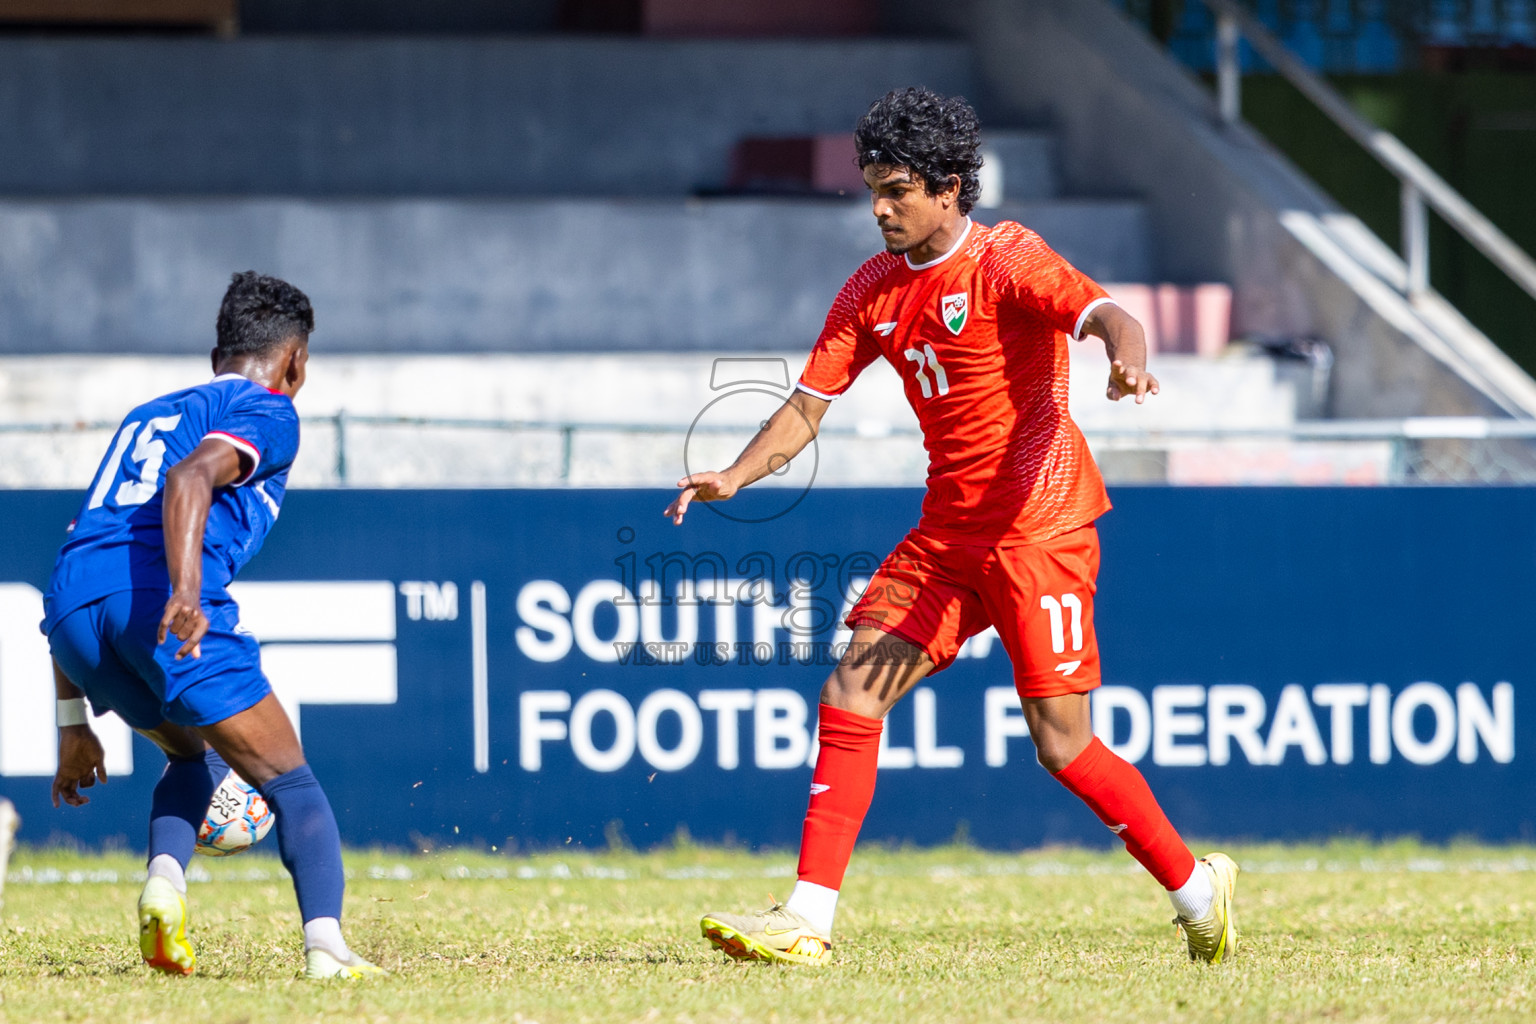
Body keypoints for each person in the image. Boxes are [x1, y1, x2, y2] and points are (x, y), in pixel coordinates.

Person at [666, 88, 1238, 965]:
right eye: (873, 190)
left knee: (1062, 744)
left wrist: (1127, 360)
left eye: (896, 190)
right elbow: (807, 407)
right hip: (947, 538)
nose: (879, 208)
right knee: (852, 689)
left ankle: (1196, 888)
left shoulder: (1007, 260)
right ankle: (808, 920)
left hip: (1040, 529)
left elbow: (1108, 317)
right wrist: (735, 475)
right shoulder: (870, 289)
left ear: (948, 189)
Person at [43, 272, 382, 980]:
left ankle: (163, 885)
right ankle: (328, 951)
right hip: (157, 603)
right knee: (290, 781)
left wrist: (72, 723)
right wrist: (187, 594)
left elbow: (85, 551)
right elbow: (190, 478)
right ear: (295, 363)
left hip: (72, 611)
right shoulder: (267, 408)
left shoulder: (147, 415)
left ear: (214, 354)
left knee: (193, 756)